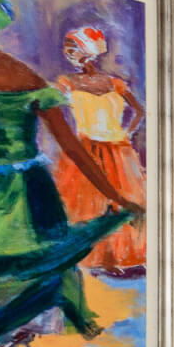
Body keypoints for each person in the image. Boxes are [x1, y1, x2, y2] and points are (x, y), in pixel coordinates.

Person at [0, 0, 139, 347]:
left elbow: (72, 146)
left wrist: (115, 194)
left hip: (15, 188)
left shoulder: (23, 77)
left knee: (9, 266)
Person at [52, 25, 147, 279]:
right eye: (67, 50)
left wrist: (127, 133)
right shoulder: (66, 83)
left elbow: (139, 111)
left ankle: (120, 258)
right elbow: (49, 107)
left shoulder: (114, 83)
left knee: (123, 200)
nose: (69, 54)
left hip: (118, 149)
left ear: (88, 51)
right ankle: (90, 257)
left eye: (74, 49)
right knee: (87, 204)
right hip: (86, 147)